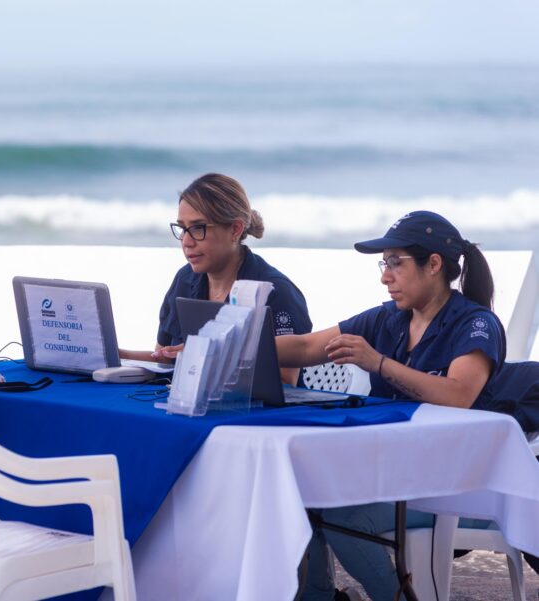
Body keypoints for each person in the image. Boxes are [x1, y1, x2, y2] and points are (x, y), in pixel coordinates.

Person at [275, 210, 505, 601]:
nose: (385, 276)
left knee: (344, 517)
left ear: (434, 264)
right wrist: (230, 342)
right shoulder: (389, 318)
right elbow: (306, 346)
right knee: (299, 495)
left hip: (456, 484)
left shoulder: (475, 323)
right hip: (397, 472)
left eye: (395, 263)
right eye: (385, 265)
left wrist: (379, 363)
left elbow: (458, 396)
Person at [121, 172, 312, 384]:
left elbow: (286, 381)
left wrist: (207, 358)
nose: (186, 241)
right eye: (183, 228)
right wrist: (117, 355)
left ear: (235, 230)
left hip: (258, 407)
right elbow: (164, 360)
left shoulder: (275, 291)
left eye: (198, 228)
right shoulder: (184, 279)